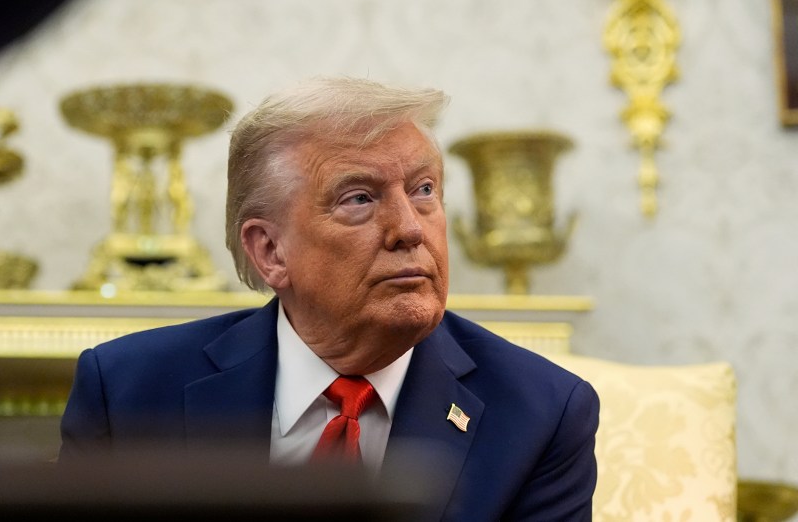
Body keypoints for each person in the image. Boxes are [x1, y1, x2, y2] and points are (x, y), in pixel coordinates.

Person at [59, 75, 600, 520]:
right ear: (270, 251)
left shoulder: (540, 414)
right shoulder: (128, 394)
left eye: (424, 190)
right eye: (359, 198)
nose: (410, 229)